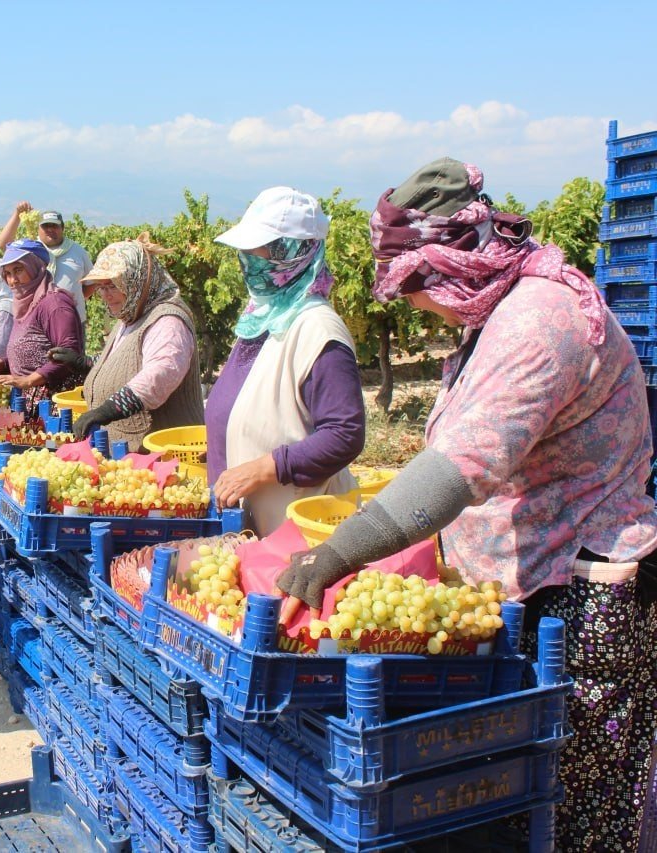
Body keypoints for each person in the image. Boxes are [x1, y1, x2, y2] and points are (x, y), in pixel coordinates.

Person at [276, 158, 657, 851]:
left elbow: (460, 466)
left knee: (566, 814)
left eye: (414, 289)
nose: (414, 307)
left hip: (576, 602)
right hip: (529, 589)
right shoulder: (500, 311)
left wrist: (340, 551)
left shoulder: (538, 321)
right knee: (512, 807)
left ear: (447, 265)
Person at [204, 187, 365, 535]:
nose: (248, 261)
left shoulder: (318, 328)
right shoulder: (264, 316)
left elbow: (345, 433)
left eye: (258, 250)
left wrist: (265, 468)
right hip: (252, 530)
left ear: (292, 252)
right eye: (245, 251)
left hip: (294, 533)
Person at [57, 235, 203, 450]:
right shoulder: (131, 315)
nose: (105, 295)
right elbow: (125, 362)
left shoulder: (168, 321)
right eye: (101, 287)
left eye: (112, 285)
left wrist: (108, 410)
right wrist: (85, 363)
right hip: (127, 454)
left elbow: (161, 373)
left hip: (165, 456)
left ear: (136, 280)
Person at [0, 239, 85, 406]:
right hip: (29, 401)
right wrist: (1, 364)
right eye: (7, 273)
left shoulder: (54, 304)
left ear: (35, 267)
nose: (12, 280)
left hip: (52, 404)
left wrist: (29, 380)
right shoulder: (26, 304)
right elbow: (34, 353)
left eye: (18, 270)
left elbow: (69, 353)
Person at [0, 203, 93, 322]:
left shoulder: (78, 251)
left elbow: (91, 282)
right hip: (37, 320)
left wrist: (71, 300)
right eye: (45, 226)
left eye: (54, 226)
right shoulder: (30, 249)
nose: (50, 229)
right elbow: (3, 244)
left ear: (62, 228)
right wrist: (17, 214)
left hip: (72, 319)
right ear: (38, 229)